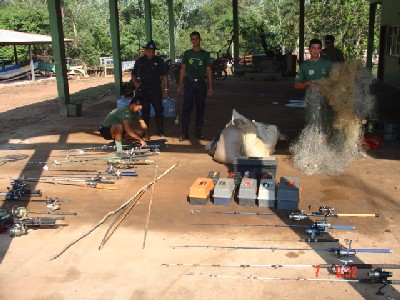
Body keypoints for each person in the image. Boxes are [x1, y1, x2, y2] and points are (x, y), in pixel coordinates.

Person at [177, 31, 213, 141]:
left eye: (196, 38)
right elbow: (183, 69)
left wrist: (210, 86)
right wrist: (180, 84)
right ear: (191, 41)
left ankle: (198, 133)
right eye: (192, 39)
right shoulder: (187, 53)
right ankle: (184, 133)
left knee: (200, 108)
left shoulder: (205, 54)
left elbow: (209, 70)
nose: (195, 41)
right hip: (189, 83)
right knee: (186, 108)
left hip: (201, 84)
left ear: (200, 39)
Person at [131, 40, 168, 137]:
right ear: (145, 51)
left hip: (156, 89)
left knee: (159, 110)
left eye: (153, 51)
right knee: (145, 111)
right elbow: (133, 75)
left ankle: (160, 129)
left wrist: (166, 89)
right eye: (149, 51)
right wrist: (135, 83)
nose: (151, 53)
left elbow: (164, 76)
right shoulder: (139, 62)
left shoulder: (159, 61)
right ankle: (145, 130)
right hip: (144, 89)